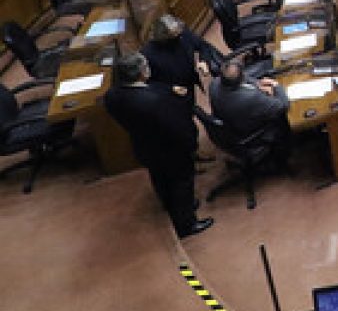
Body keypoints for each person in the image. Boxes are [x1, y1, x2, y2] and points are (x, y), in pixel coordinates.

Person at [104, 52, 214, 238]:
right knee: (182, 183)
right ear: (141, 73)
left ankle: (170, 206)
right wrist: (190, 144)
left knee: (159, 177)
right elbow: (177, 127)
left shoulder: (111, 96)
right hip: (171, 149)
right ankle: (187, 224)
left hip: (143, 146)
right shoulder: (155, 102)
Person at [209, 61, 291, 161]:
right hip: (250, 133)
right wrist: (276, 85)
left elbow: (244, 79)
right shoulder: (252, 98)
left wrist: (257, 84)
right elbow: (283, 105)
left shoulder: (214, 84)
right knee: (283, 118)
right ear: (241, 77)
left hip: (230, 126)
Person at [142, 14, 216, 106]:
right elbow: (148, 83)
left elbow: (202, 46)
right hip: (170, 97)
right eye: (174, 35)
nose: (179, 36)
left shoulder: (182, 33)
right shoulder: (147, 54)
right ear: (163, 37)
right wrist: (170, 89)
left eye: (178, 33)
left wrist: (204, 60)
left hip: (190, 83)